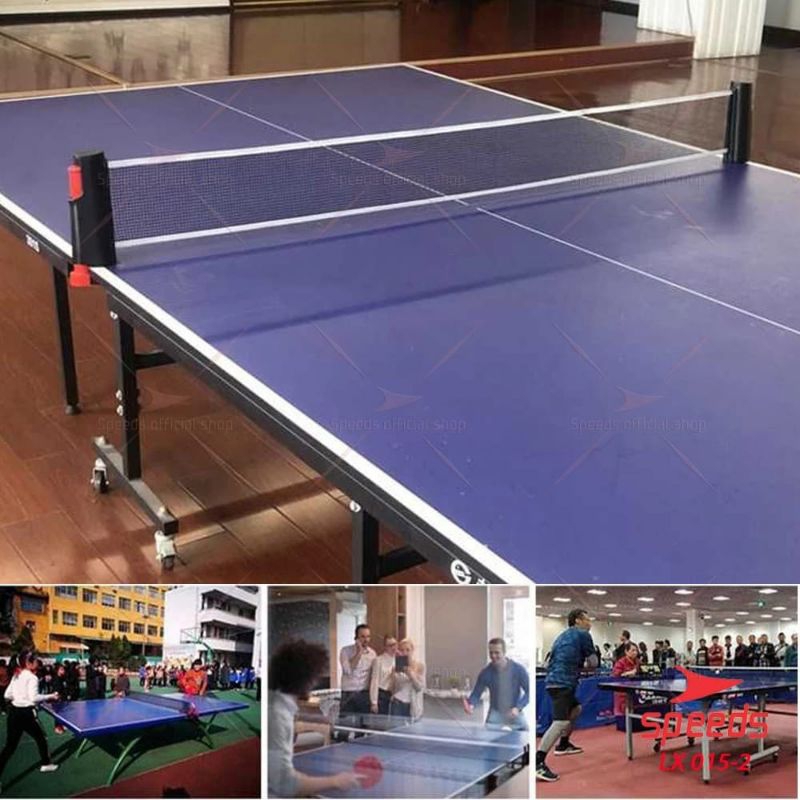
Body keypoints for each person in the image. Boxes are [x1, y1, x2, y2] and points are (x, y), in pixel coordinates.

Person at [268, 640, 362, 797]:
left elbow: (292, 715)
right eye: (314, 677)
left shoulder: (275, 701)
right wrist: (335, 781)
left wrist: (318, 719)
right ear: (303, 678)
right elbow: (286, 784)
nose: (315, 683)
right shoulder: (279, 716)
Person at [536, 609, 596, 783]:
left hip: (553, 681)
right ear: (578, 620)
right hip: (563, 683)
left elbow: (550, 661)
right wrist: (583, 666)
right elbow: (594, 663)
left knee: (576, 709)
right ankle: (538, 762)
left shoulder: (561, 636)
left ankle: (563, 744)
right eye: (587, 619)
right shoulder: (583, 634)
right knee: (560, 721)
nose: (590, 623)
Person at [0, 651, 60, 794]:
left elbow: (7, 695)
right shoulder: (32, 677)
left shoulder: (16, 675)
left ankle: (46, 763)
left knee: (10, 747)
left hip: (14, 713)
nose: (37, 662)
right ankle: (46, 764)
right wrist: (51, 695)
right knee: (41, 737)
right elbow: (34, 698)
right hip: (26, 714)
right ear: (28, 663)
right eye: (35, 660)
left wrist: (19, 697)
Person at [464, 638, 529, 730]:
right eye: (491, 653)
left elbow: (529, 692)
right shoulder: (485, 673)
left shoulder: (519, 670)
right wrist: (471, 705)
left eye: (497, 653)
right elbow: (476, 693)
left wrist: (518, 707)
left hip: (514, 712)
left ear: (504, 652)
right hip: (495, 713)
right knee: (488, 737)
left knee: (525, 735)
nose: (493, 656)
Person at [339, 625, 376, 724]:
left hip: (364, 693)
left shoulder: (372, 654)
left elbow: (373, 675)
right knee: (345, 725)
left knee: (363, 725)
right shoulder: (345, 651)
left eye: (368, 636)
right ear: (356, 638)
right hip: (348, 693)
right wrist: (359, 653)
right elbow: (348, 670)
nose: (366, 640)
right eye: (362, 636)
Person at [389, 639, 425, 720]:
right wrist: (393, 675)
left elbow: (419, 688)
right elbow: (392, 688)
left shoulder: (420, 666)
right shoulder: (396, 667)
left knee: (412, 727)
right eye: (402, 650)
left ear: (412, 650)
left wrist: (410, 674)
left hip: (413, 704)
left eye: (408, 650)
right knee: (396, 727)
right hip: (397, 702)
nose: (405, 653)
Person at [370, 635, 397, 716]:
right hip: (382, 694)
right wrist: (374, 702)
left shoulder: (398, 659)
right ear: (385, 647)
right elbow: (375, 681)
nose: (393, 647)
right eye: (390, 645)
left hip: (395, 694)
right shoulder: (378, 660)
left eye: (394, 644)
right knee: (382, 720)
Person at [611, 643, 639, 717]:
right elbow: (615, 675)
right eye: (633, 650)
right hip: (622, 693)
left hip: (633, 692)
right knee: (622, 714)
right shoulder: (620, 662)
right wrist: (628, 673)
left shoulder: (637, 662)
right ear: (626, 651)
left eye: (636, 650)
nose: (635, 653)